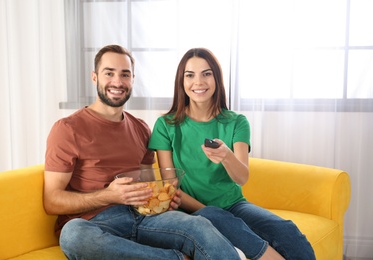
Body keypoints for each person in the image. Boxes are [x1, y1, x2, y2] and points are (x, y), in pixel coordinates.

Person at [43, 44, 242, 260]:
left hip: (146, 215)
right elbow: (52, 200)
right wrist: (107, 196)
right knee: (73, 235)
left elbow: (152, 182)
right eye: (109, 73)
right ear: (94, 77)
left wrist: (164, 198)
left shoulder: (140, 128)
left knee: (199, 224)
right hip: (97, 223)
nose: (117, 82)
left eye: (125, 74)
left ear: (132, 79)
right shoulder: (68, 129)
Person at [148, 47, 316, 260]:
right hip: (190, 210)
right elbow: (170, 187)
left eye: (206, 74)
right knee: (215, 216)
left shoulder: (236, 122)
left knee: (287, 230)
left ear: (217, 79)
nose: (198, 82)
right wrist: (211, 212)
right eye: (190, 75)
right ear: (181, 81)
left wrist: (227, 156)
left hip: (234, 204)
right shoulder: (166, 125)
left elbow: (242, 177)